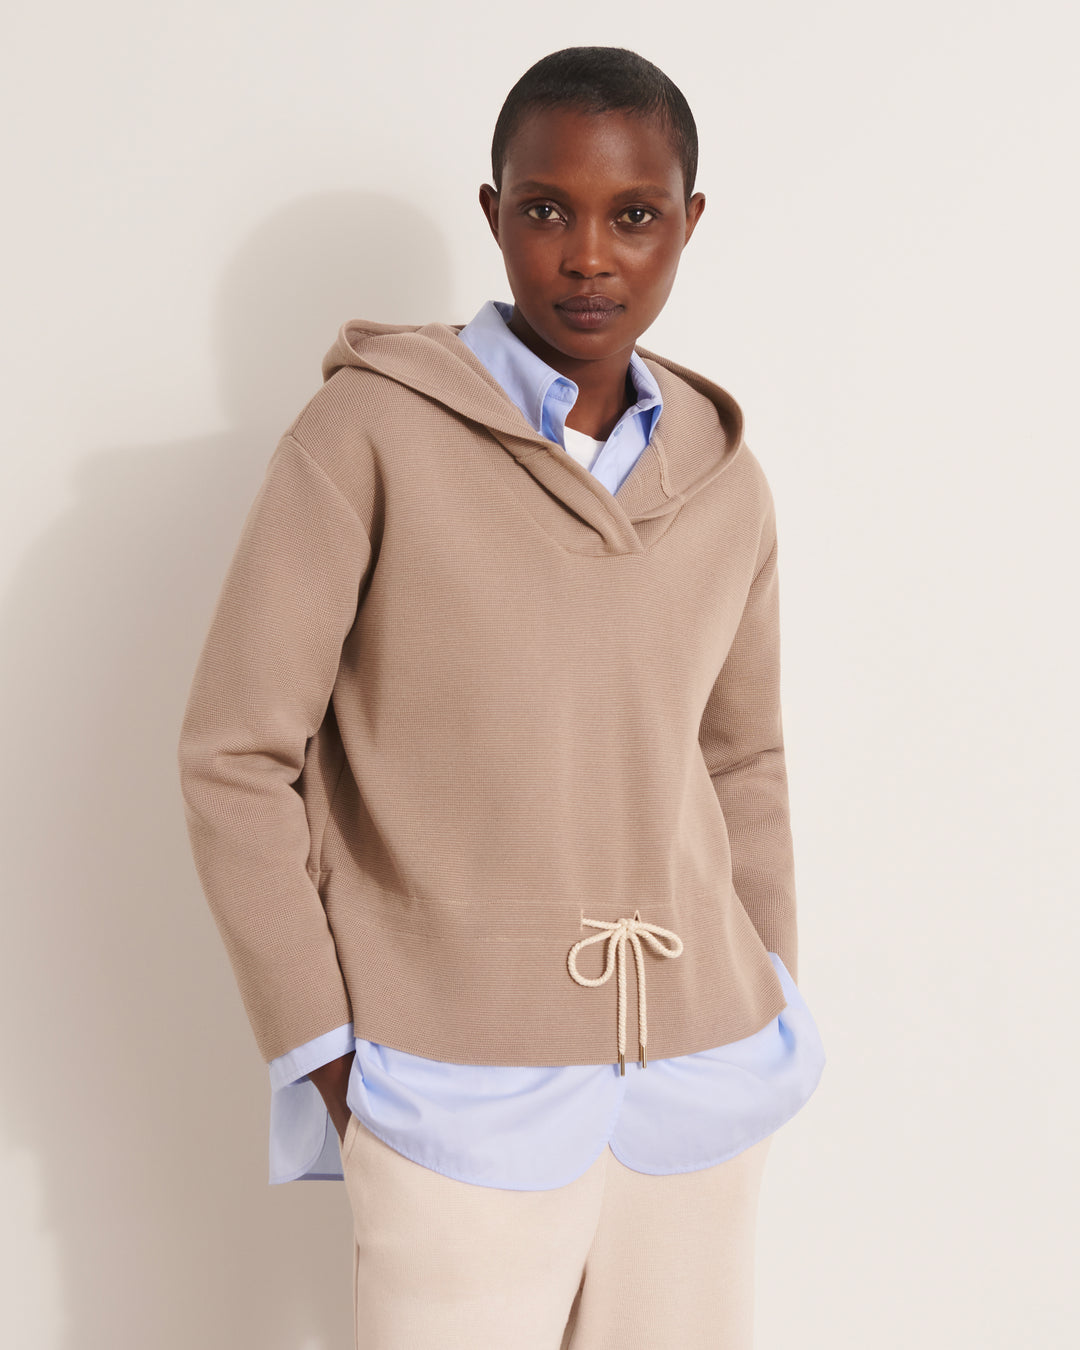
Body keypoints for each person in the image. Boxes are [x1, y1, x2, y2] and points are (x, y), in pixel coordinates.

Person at [178, 44, 826, 1350]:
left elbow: (742, 758)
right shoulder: (367, 435)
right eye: (546, 209)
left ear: (689, 223)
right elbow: (235, 755)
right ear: (494, 214)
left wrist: (767, 986)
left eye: (633, 215)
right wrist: (327, 1051)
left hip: (698, 1082)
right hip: (448, 1083)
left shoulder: (725, 477)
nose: (588, 256)